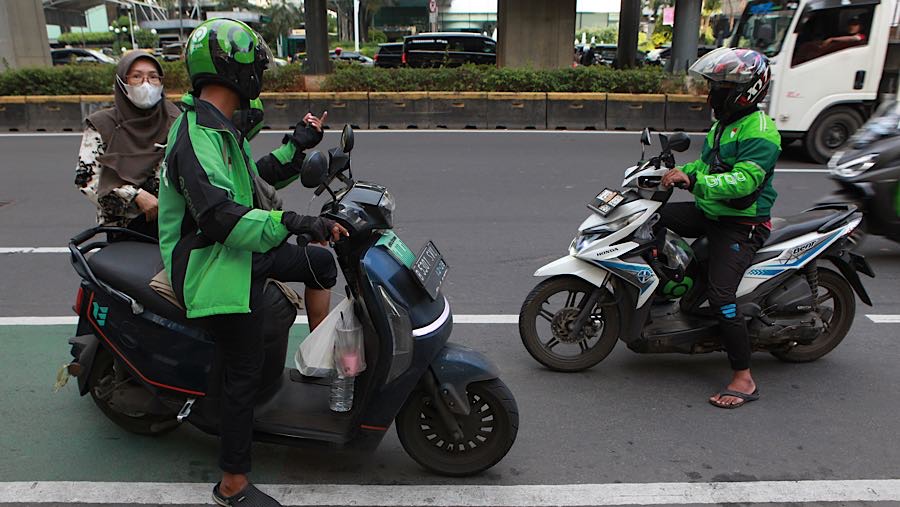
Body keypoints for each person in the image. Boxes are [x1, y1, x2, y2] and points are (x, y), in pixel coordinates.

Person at [157, 19, 347, 506]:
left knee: (321, 265)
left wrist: (298, 146)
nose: (259, 75)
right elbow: (221, 216)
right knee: (244, 367)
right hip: (210, 263)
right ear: (235, 69)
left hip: (237, 248)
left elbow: (256, 180)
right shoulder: (195, 136)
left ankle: (317, 363)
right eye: (257, 66)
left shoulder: (220, 128)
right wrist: (296, 221)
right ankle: (232, 485)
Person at [659, 48, 780, 409]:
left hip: (742, 224)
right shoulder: (724, 126)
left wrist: (694, 183)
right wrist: (678, 173)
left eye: (720, 87)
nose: (712, 94)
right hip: (713, 212)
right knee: (653, 218)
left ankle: (743, 377)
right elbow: (706, 165)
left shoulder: (761, 132)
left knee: (722, 296)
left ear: (745, 90)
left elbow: (743, 182)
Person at [75, 51, 180, 239]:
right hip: (124, 227)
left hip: (174, 223)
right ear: (123, 82)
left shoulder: (175, 119)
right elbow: (86, 178)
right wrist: (135, 196)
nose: (146, 84)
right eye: (137, 77)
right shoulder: (103, 124)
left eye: (153, 77)